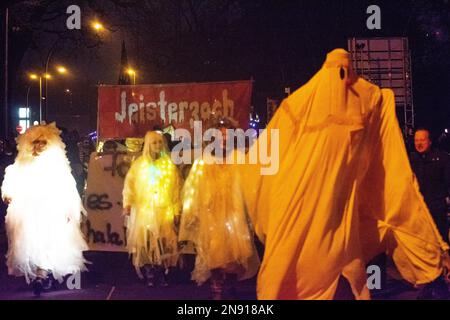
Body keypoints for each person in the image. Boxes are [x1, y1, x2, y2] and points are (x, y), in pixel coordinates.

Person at [240, 49, 450, 299]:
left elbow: (264, 156)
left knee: (304, 260)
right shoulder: (345, 101)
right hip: (322, 205)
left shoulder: (299, 104)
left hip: (318, 204)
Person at [1, 123, 88, 296]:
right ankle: (39, 275)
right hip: (27, 213)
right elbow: (10, 180)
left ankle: (42, 275)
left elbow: (67, 188)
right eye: (35, 142)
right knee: (31, 243)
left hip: (50, 212)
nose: (39, 146)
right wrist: (7, 193)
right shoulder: (21, 164)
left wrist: (69, 209)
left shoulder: (57, 167)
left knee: (47, 242)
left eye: (43, 142)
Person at [179, 117, 260, 300]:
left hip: (234, 217)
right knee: (215, 255)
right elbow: (193, 189)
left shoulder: (241, 159)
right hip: (212, 217)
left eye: (227, 136)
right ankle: (217, 291)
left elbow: (251, 185)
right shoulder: (204, 161)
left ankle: (230, 290)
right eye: (219, 136)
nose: (223, 139)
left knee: (233, 256)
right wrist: (193, 213)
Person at [122, 131, 181, 287]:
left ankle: (161, 271)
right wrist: (127, 204)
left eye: (159, 142)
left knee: (163, 242)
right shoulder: (139, 165)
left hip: (163, 211)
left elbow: (175, 190)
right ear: (148, 145)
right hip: (144, 212)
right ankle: (149, 271)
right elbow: (130, 186)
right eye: (154, 143)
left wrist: (176, 210)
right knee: (146, 242)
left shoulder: (169, 166)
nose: (157, 146)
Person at [410, 128, 450, 299]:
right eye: (416, 140)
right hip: (418, 211)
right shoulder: (411, 159)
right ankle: (425, 276)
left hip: (437, 208)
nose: (419, 143)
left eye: (423, 140)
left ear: (430, 141)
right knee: (422, 244)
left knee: (440, 243)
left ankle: (443, 276)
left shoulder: (442, 158)